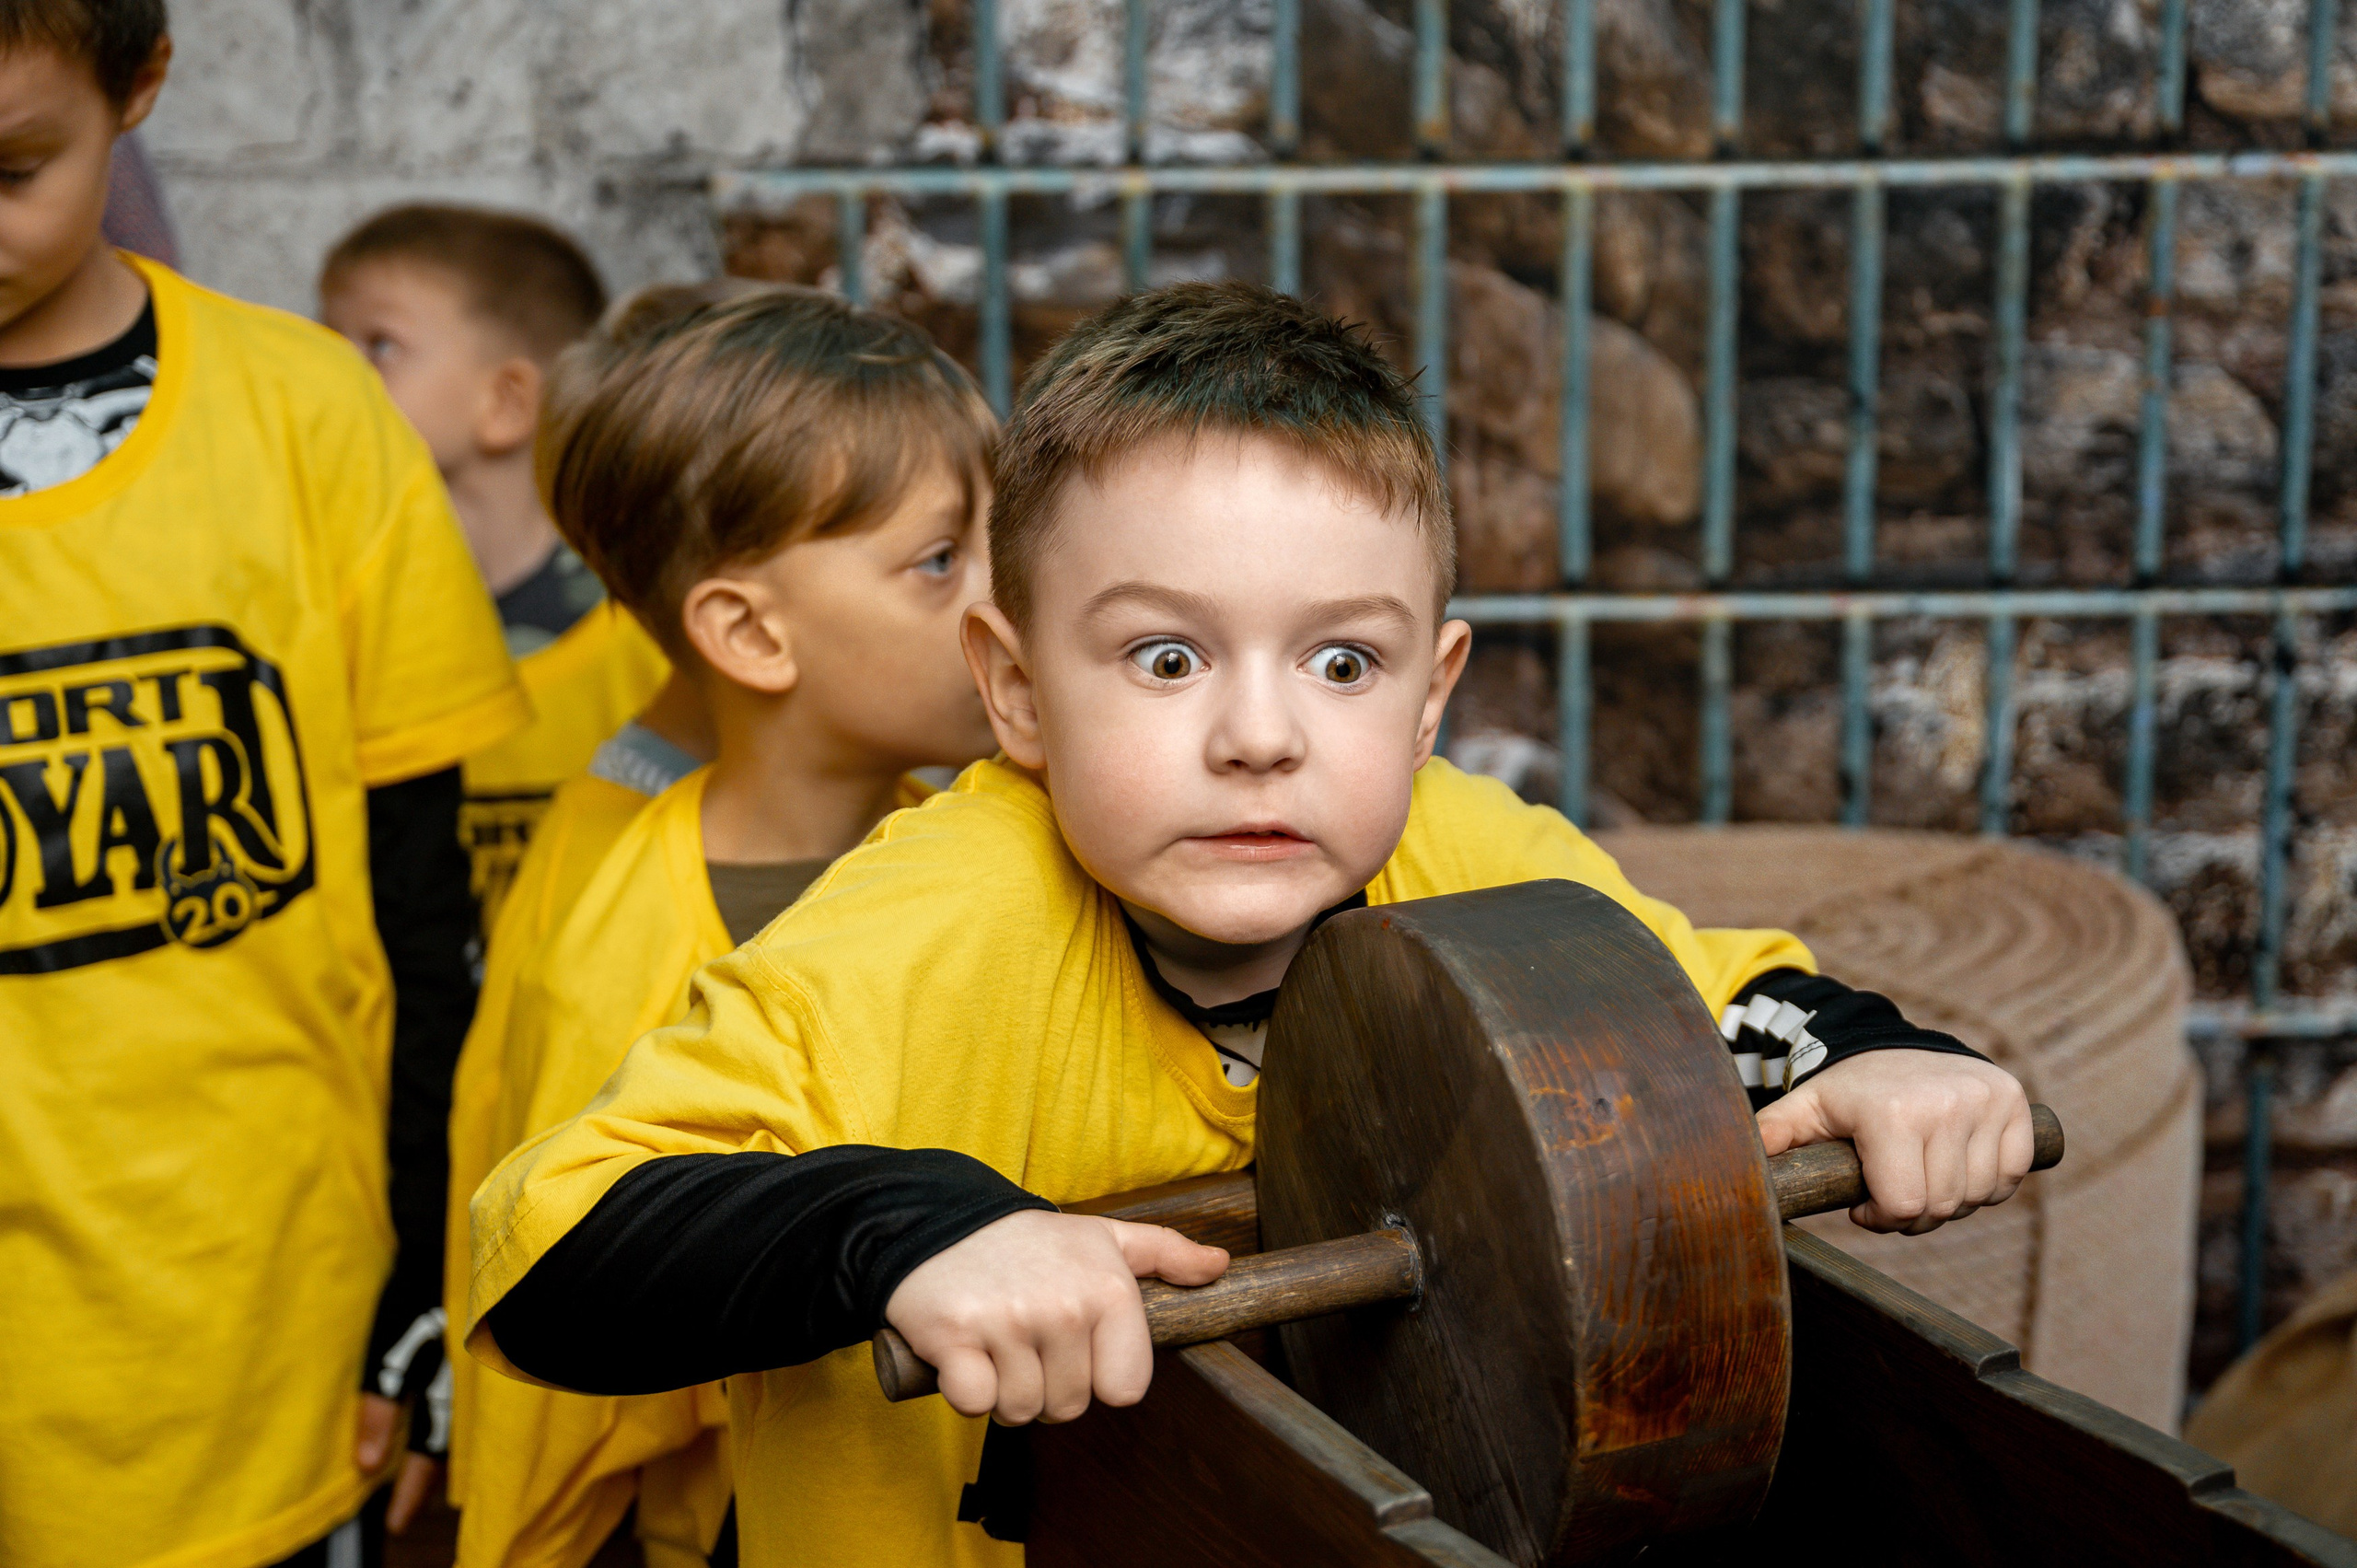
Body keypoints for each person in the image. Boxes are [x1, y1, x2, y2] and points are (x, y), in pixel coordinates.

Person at [464, 284, 2038, 1566]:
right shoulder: (927, 924)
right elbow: (545, 1252)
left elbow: (1715, 1006)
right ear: (1015, 688)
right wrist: (902, 1227)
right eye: (1167, 658)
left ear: (1431, 696)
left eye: (1343, 664)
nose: (1262, 737)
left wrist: (1869, 1055)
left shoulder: (1471, 852)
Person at [0, 5, 528, 1566]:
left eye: (13, 169)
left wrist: (423, 1283)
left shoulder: (307, 419)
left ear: (138, 86)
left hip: (252, 1334)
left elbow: (427, 922)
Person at [446, 284, 997, 1568]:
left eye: (1000, 535)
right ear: (749, 631)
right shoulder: (622, 950)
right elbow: (563, 1394)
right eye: (939, 562)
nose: (1006, 595)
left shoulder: (974, 843)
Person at [319, 204, 668, 929]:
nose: (329, 373)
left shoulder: (648, 636)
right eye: (326, 340)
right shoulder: (331, 627)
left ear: (507, 401)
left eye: (379, 345)